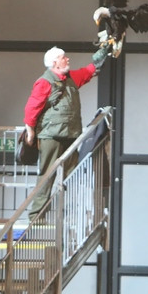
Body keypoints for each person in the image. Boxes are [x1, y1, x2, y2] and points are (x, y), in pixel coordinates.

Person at [23, 43, 108, 217]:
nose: (67, 59)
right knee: (47, 175)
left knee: (73, 173)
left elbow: (87, 72)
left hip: (70, 134)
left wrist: (101, 56)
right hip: (51, 136)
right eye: (64, 57)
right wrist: (30, 132)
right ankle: (36, 216)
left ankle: (70, 211)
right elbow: (31, 108)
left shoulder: (70, 78)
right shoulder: (44, 82)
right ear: (55, 62)